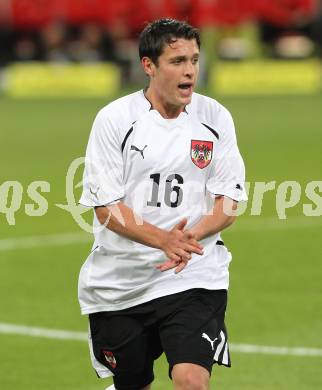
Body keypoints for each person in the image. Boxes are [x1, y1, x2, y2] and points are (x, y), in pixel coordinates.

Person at [79, 18, 247, 390]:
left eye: (194, 60)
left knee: (191, 380)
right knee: (133, 384)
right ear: (149, 65)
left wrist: (190, 239)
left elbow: (229, 200)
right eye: (177, 61)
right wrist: (163, 240)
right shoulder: (115, 120)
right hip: (120, 282)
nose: (190, 71)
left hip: (193, 274)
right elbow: (106, 207)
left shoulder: (214, 117)